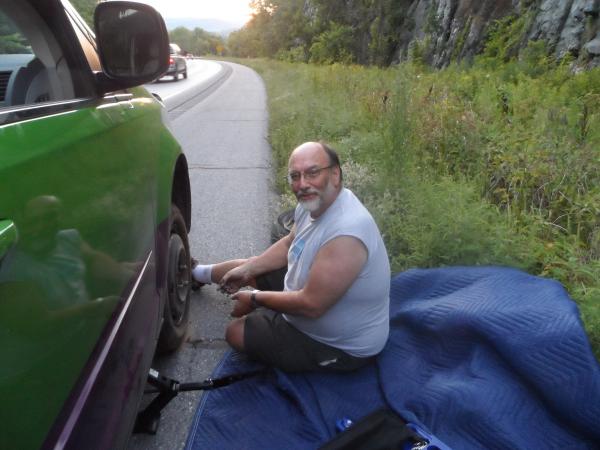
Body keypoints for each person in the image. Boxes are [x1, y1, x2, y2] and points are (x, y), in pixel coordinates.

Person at [193, 141, 390, 372]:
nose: (303, 184)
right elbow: (289, 243)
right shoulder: (314, 204)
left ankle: (269, 312)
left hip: (340, 345)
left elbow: (311, 306)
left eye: (312, 173)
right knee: (250, 267)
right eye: (295, 176)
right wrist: (248, 270)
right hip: (314, 289)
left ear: (335, 174)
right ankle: (196, 273)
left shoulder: (346, 234)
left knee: (235, 332)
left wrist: (256, 299)